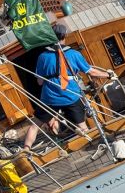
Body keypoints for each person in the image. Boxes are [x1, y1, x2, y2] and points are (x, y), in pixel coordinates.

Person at [22, 22, 113, 151]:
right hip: (70, 96)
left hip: (49, 98)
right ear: (64, 35)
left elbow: (40, 82)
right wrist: (108, 75)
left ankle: (26, 150)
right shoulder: (74, 54)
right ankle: (95, 146)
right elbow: (91, 72)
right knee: (82, 127)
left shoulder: (42, 57)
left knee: (35, 125)